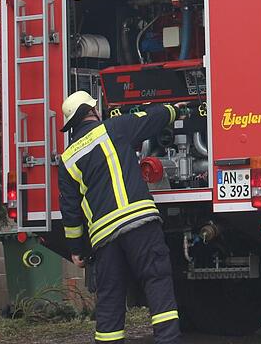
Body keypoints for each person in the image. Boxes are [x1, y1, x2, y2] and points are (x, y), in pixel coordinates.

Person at [58, 91, 183, 343]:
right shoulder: (115, 128)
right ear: (92, 111)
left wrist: (76, 249)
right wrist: (175, 110)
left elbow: (70, 210)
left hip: (104, 237)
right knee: (156, 281)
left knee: (110, 297)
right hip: (140, 224)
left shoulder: (67, 159)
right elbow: (151, 117)